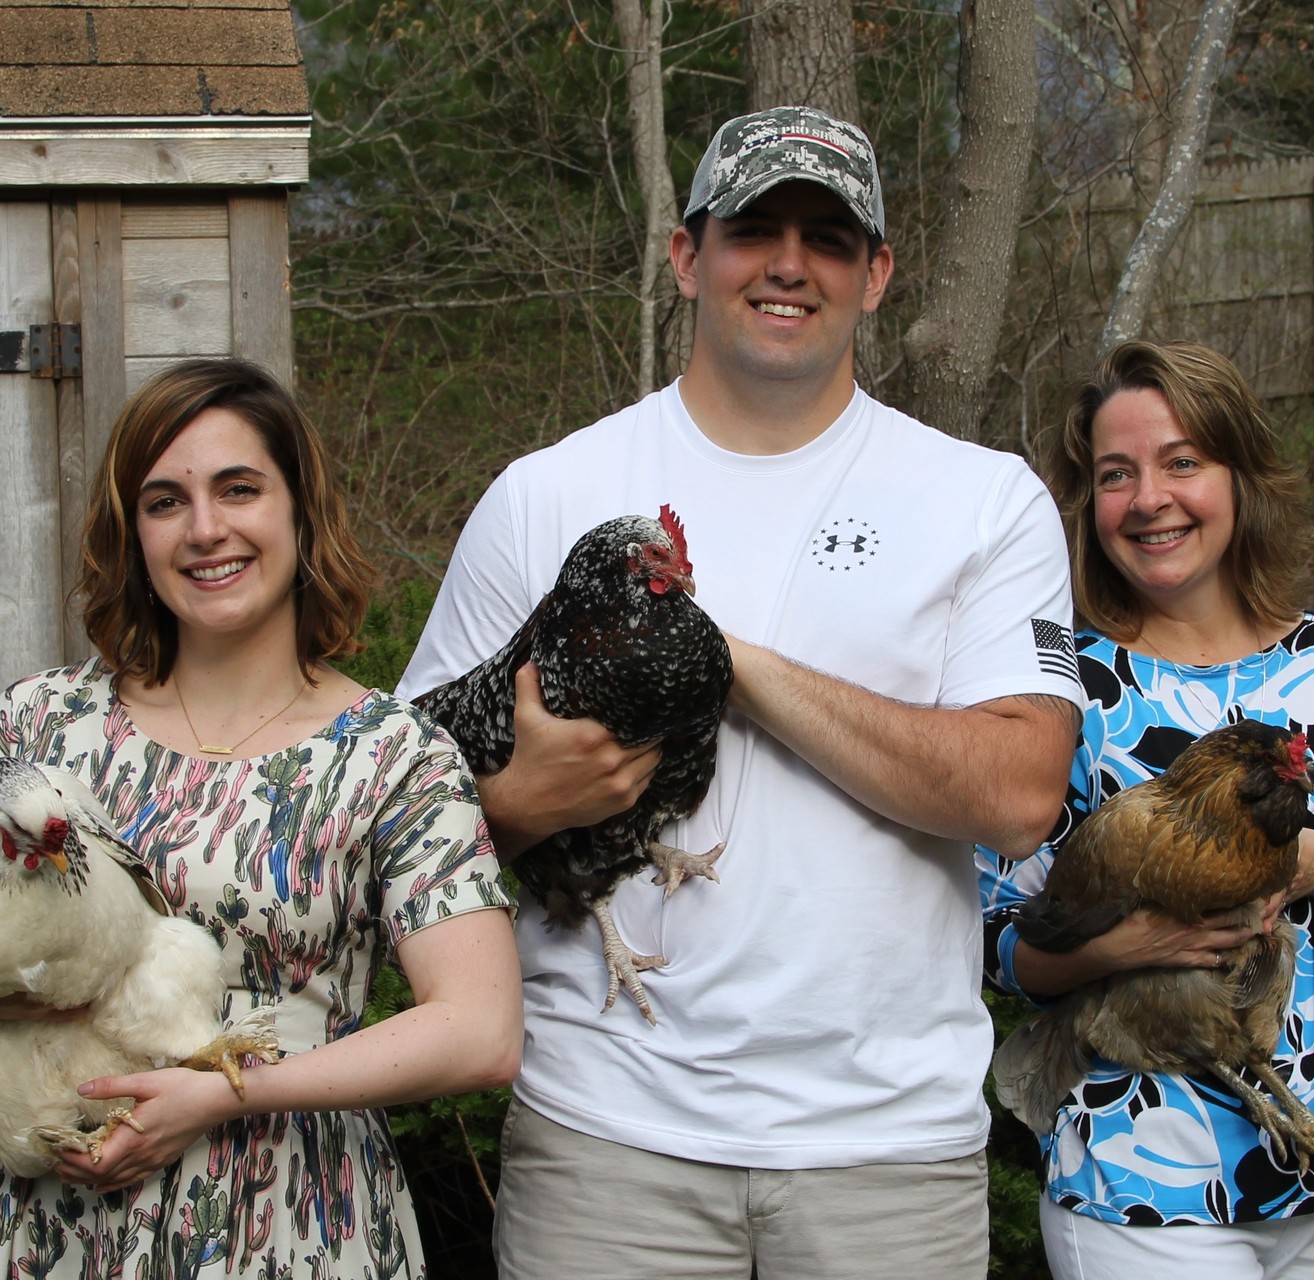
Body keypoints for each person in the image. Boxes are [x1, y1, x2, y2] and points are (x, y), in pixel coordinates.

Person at [396, 106, 1082, 1280]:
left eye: (827, 237)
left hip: (885, 1151)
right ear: (686, 255)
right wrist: (521, 802)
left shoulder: (985, 500)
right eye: (754, 228)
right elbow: (402, 807)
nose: (787, 263)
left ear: (876, 275)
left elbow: (1020, 792)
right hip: (608, 1139)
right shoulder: (544, 493)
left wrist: (727, 664)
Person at [976, 340, 1314, 1279]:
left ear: (1240, 475)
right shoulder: (1063, 686)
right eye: (1115, 475)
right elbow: (998, 935)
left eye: (1182, 462)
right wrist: (1130, 944)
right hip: (1143, 1172)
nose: (1149, 499)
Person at [0, 358, 522, 1279]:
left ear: (299, 510)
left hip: (296, 1219)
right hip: (58, 1224)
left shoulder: (393, 754)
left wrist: (226, 1094)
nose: (206, 530)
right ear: (132, 534)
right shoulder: (38, 727)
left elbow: (480, 1028)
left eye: (238, 489)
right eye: (165, 502)